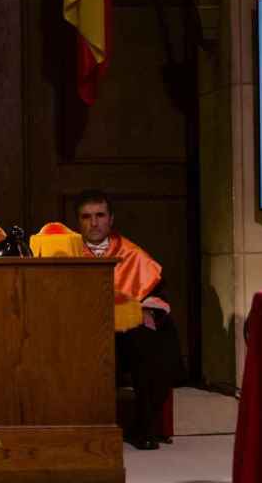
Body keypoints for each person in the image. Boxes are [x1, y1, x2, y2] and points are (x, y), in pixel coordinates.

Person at [75, 190, 184, 451]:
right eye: (87, 216)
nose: (94, 223)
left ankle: (143, 427)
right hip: (79, 335)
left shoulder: (133, 254)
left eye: (100, 215)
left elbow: (156, 299)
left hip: (124, 336)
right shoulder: (65, 253)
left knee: (155, 341)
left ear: (111, 219)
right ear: (78, 222)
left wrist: (144, 314)